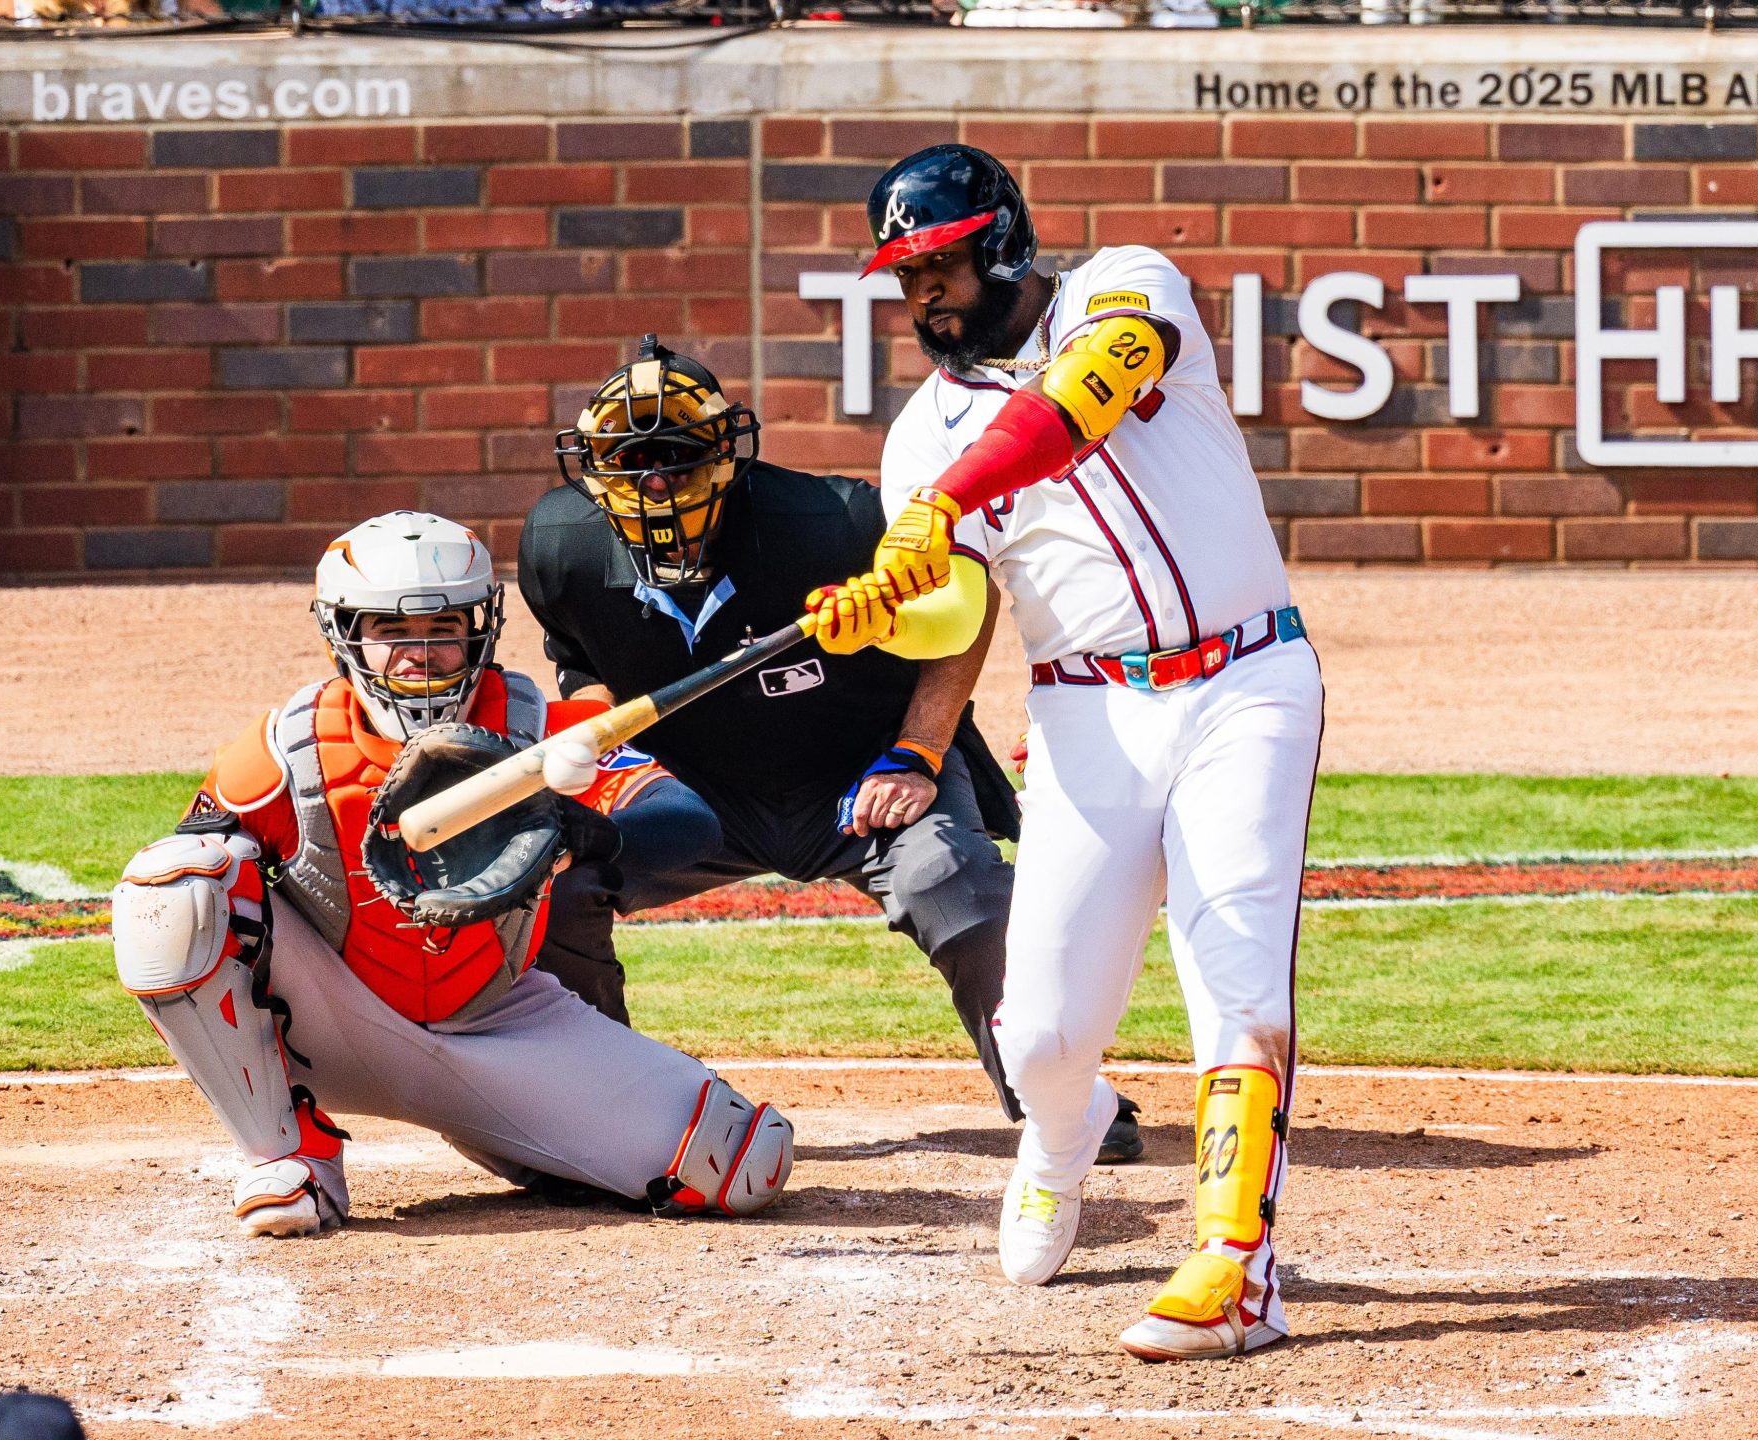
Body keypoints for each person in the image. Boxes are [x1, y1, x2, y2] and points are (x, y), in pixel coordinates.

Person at [826, 144, 1324, 1361]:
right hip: (1085, 713)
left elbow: (1071, 409)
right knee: (1039, 1031)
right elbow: (957, 608)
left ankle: (1233, 1266)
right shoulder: (921, 436)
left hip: (1246, 677)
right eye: (903, 276)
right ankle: (1060, 1136)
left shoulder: (1126, 286)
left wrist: (942, 507)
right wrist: (883, 608)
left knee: (1238, 972)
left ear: (998, 243)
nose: (920, 297)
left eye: (936, 265)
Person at [517, 336, 1144, 1164]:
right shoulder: (559, 546)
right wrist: (604, 747)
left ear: (728, 457)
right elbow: (586, 664)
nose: (654, 482)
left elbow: (966, 599)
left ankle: (1053, 1098)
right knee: (551, 878)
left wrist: (920, 750)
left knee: (949, 878)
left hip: (862, 770)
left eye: (674, 456)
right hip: (699, 792)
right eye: (628, 461)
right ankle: (599, 1104)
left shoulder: (833, 521)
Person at [110, 510, 791, 1236]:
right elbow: (185, 901)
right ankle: (287, 1155)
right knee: (172, 884)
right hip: (328, 1018)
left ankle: (511, 1134)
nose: (420, 653)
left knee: (741, 1162)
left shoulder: (538, 731)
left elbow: (687, 821)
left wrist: (590, 832)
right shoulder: (289, 749)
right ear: (345, 635)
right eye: (391, 632)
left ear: (482, 628)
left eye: (444, 630)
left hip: (500, 1019)